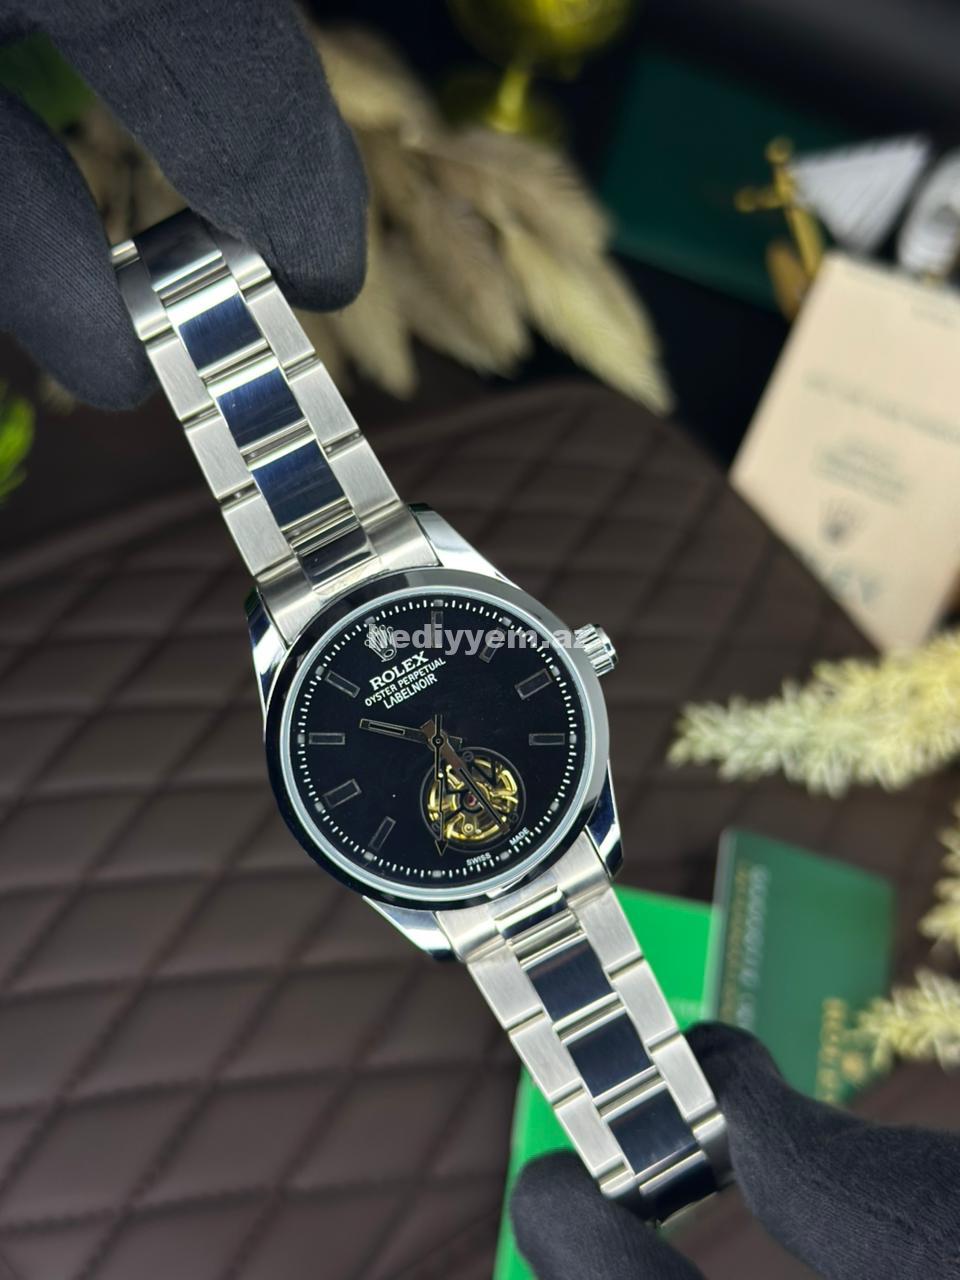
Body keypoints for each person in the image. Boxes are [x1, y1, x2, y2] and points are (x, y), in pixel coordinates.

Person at [1, 5, 958, 1277]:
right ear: (565, 653)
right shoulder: (455, 711)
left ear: (571, 654)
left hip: (476, 795)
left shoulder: (447, 741)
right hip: (427, 704)